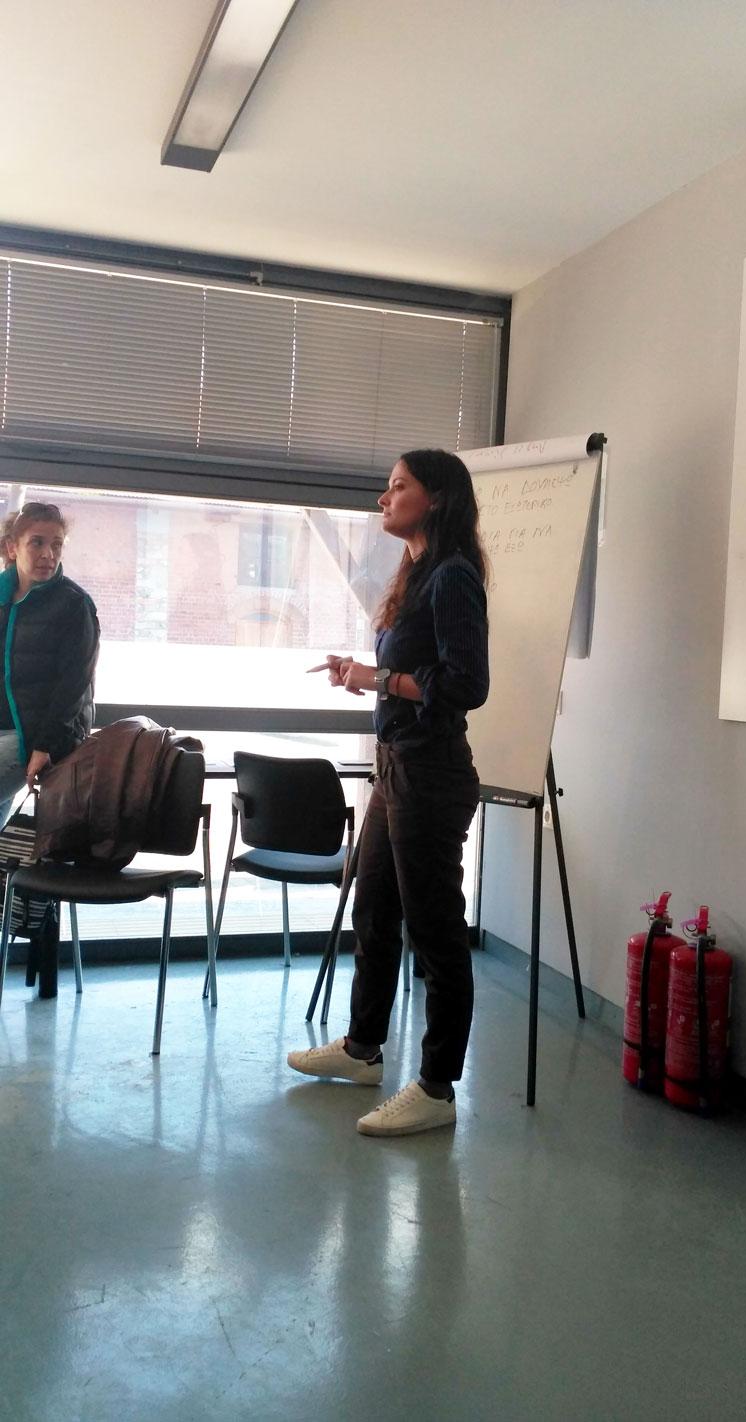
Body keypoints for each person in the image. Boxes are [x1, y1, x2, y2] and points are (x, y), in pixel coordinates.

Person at [288, 449, 489, 1136]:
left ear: (436, 499)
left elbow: (467, 685)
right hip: (397, 766)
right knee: (373, 908)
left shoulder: (454, 575)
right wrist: (365, 671)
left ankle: (437, 1088)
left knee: (435, 932)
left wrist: (379, 680)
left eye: (398, 487)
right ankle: (363, 1049)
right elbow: (417, 670)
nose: (384, 498)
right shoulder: (419, 571)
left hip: (431, 774)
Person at [0, 502, 100, 830]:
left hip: (33, 736)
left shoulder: (73, 604)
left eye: (56, 544)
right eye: (37, 542)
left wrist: (45, 745)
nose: (48, 554)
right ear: (12, 548)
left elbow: (73, 686)